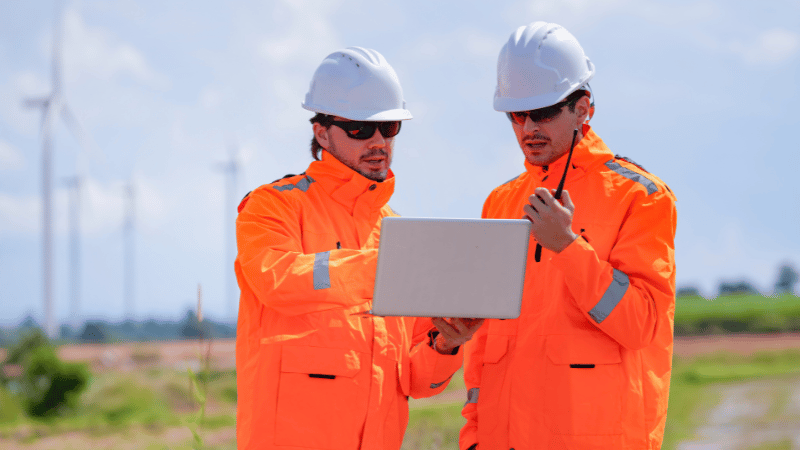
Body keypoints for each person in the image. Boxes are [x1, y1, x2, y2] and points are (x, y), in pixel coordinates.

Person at [234, 47, 483, 450]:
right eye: (360, 129)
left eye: (389, 128)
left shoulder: (397, 234)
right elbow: (276, 280)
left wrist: (446, 344)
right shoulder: (273, 206)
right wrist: (379, 267)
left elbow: (417, 382)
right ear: (321, 132)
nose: (378, 141)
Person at [460, 22, 677, 450]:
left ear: (584, 107)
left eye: (542, 113)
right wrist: (473, 436)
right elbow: (483, 347)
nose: (528, 129)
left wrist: (567, 247)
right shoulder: (500, 203)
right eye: (516, 115)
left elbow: (641, 325)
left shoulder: (641, 197)